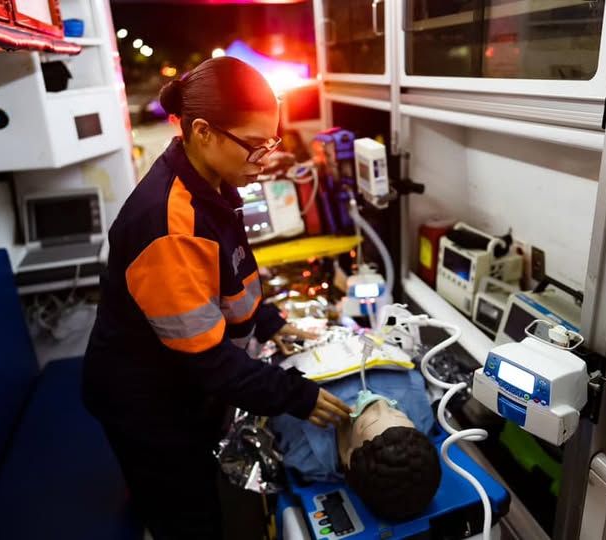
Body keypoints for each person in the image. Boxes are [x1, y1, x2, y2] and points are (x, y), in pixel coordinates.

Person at [82, 57, 351, 540]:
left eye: (270, 142)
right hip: (145, 400)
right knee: (190, 519)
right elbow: (205, 360)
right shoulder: (168, 224)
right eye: (255, 146)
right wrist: (298, 396)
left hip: (180, 387)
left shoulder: (214, 187)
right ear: (203, 132)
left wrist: (269, 322)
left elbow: (229, 275)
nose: (265, 159)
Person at [270, 369, 442, 521]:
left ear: (349, 456)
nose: (381, 403)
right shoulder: (419, 410)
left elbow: (271, 389)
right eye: (395, 410)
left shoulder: (303, 444)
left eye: (367, 421)